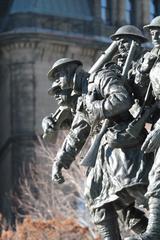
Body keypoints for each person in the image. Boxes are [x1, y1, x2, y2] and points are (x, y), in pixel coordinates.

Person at [51, 26, 151, 239]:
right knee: (96, 197)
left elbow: (122, 99)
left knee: (136, 190)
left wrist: (96, 108)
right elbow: (77, 132)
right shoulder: (83, 97)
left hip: (125, 144)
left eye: (58, 78)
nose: (58, 84)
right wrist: (60, 161)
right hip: (106, 152)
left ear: (69, 73)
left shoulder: (101, 77)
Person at [125, 16, 160, 240]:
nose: (155, 36)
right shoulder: (154, 61)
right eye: (152, 32)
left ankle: (154, 233)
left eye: (159, 31)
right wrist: (139, 76)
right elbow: (144, 99)